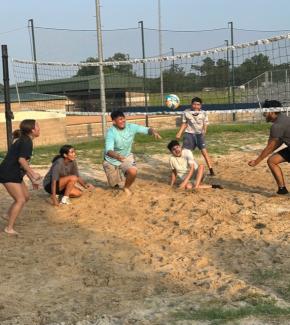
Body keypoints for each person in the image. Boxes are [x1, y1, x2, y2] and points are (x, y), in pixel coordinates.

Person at [103, 110, 161, 195]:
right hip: (111, 159)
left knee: (133, 172)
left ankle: (126, 187)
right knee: (114, 185)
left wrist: (153, 132)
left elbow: (147, 130)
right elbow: (108, 151)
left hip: (126, 156)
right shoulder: (111, 132)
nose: (123, 121)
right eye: (120, 119)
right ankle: (116, 182)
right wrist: (117, 156)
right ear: (114, 122)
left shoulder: (131, 127)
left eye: (123, 119)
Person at [0, 119, 41, 235]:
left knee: (26, 196)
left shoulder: (26, 140)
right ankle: (9, 228)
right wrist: (33, 174)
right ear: (32, 130)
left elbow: (23, 164)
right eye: (37, 126)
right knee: (20, 199)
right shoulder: (26, 141)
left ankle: (7, 215)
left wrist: (32, 179)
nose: (39, 128)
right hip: (8, 173)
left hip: (15, 173)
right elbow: (22, 160)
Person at [248, 100, 290, 195]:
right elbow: (277, 143)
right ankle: (282, 189)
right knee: (272, 160)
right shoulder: (283, 119)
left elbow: (271, 147)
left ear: (271, 112)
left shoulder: (277, 126)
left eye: (265, 111)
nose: (263, 114)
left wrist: (256, 161)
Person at [176, 97, 215, 176]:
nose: (196, 106)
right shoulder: (186, 112)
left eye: (198, 105)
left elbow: (205, 123)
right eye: (194, 104)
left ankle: (211, 170)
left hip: (199, 134)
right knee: (184, 152)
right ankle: (180, 169)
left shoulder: (203, 113)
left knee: (204, 152)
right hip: (189, 134)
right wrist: (179, 133)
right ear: (191, 104)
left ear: (200, 106)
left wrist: (204, 131)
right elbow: (184, 123)